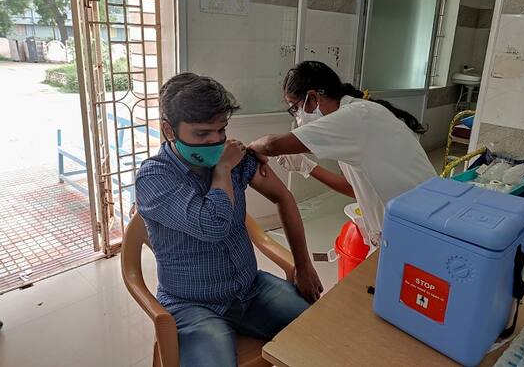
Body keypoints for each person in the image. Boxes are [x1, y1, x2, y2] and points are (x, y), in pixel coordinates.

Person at [135, 73, 322, 367]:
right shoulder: (154, 178)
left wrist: (304, 264)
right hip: (192, 304)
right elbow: (214, 225)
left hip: (251, 288)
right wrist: (222, 170)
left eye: (221, 129)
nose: (215, 141)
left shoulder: (234, 157)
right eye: (202, 134)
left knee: (324, 335)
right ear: (169, 130)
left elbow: (283, 196)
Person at [248, 61, 437, 247]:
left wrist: (249, 148)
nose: (297, 117)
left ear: (313, 98)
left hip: (419, 226)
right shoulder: (355, 116)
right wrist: (307, 167)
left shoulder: (354, 117)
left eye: (294, 107)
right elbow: (354, 189)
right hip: (415, 220)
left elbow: (271, 145)